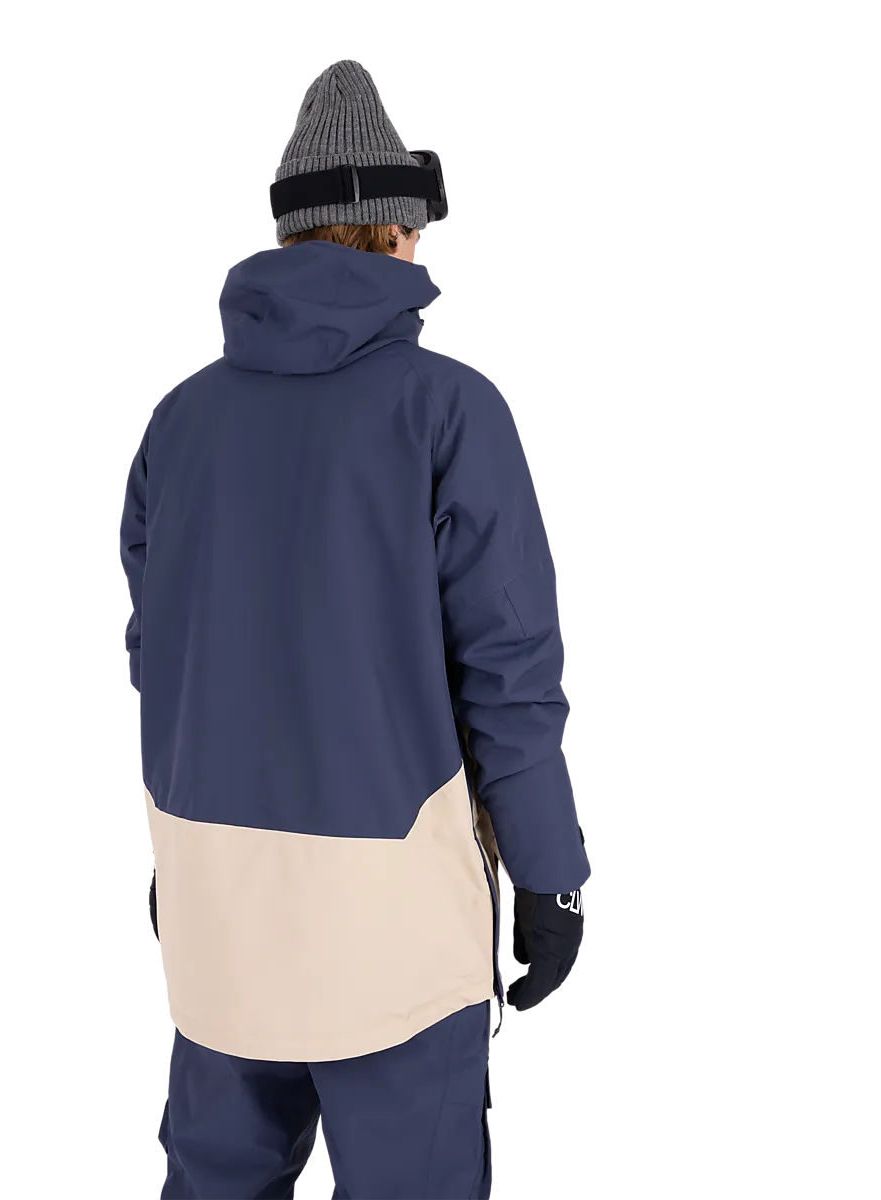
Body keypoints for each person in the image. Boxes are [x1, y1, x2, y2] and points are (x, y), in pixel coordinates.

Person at [120, 58, 589, 1199]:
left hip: (219, 904)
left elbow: (156, 659)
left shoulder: (177, 423)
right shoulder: (447, 409)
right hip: (392, 912)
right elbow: (508, 669)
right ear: (393, 231)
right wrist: (548, 875)